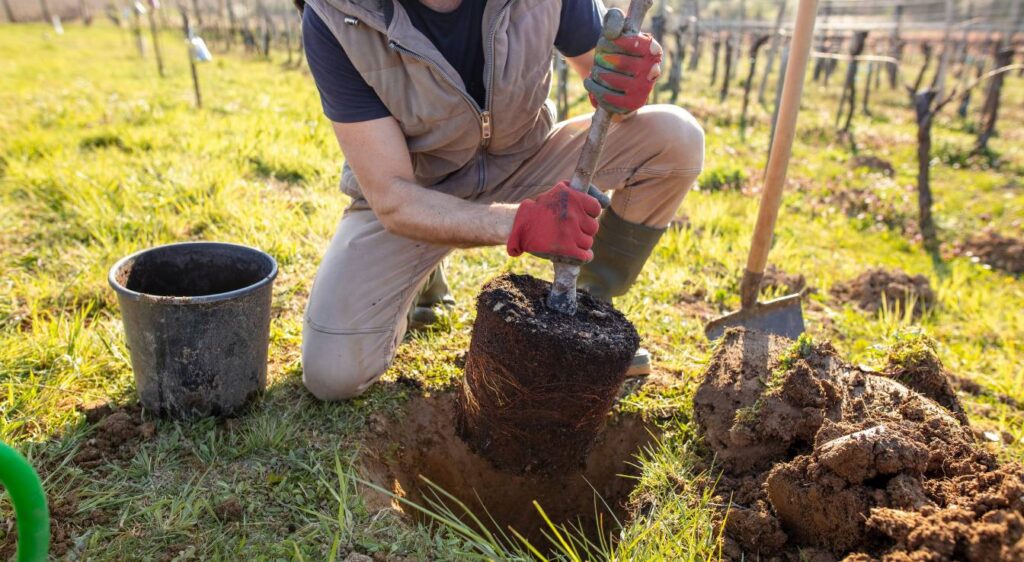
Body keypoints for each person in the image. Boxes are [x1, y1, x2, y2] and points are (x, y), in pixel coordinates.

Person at [298, 0, 704, 400]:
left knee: (676, 137)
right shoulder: (339, 16)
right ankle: (420, 277)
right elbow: (392, 196)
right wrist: (520, 224)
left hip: (526, 159)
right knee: (334, 372)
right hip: (419, 194)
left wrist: (625, 81)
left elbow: (605, 78)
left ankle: (586, 316)